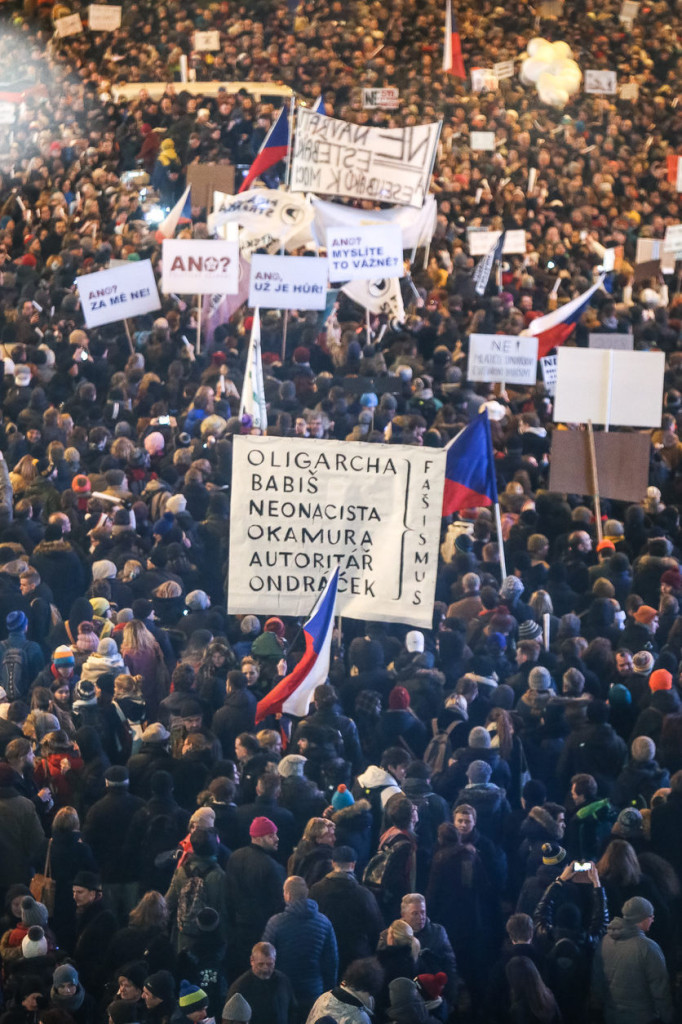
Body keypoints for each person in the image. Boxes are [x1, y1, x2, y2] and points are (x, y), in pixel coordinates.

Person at [262, 875, 338, 1021]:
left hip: (283, 989)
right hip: (314, 989)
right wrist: (329, 990)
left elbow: (266, 956)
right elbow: (331, 961)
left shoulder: (276, 923)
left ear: (288, 895)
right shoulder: (324, 922)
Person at [592, 896, 673, 1024]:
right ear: (642, 918)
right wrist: (669, 1019)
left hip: (611, 1016)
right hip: (642, 1018)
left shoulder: (605, 940)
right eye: (651, 915)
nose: (653, 919)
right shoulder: (648, 947)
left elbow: (597, 982)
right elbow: (661, 992)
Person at [223, 818, 285, 975]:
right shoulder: (272, 867)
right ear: (258, 837)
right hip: (260, 931)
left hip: (236, 930)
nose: (276, 838)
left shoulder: (235, 857)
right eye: (271, 835)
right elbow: (278, 904)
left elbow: (228, 895)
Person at [309, 845, 385, 973]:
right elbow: (376, 928)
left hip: (323, 952)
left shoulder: (316, 890)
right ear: (353, 865)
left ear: (333, 863)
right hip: (355, 956)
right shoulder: (364, 895)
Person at [225, 942, 296, 1024]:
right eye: (261, 964)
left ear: (275, 960)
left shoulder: (283, 981)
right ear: (252, 961)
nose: (265, 969)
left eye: (269, 964)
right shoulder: (239, 988)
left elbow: (292, 1011)